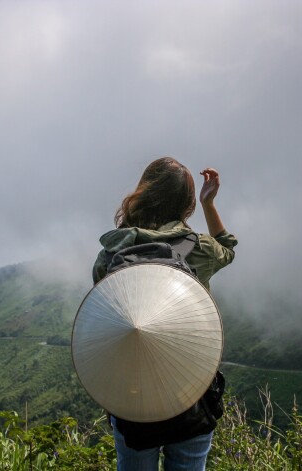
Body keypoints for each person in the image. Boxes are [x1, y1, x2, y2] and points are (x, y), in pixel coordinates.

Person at [92, 157, 237, 471]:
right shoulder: (201, 249)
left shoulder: (111, 254)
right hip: (192, 389)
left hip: (133, 394)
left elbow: (106, 323)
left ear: (143, 193)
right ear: (185, 205)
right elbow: (228, 246)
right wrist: (209, 203)